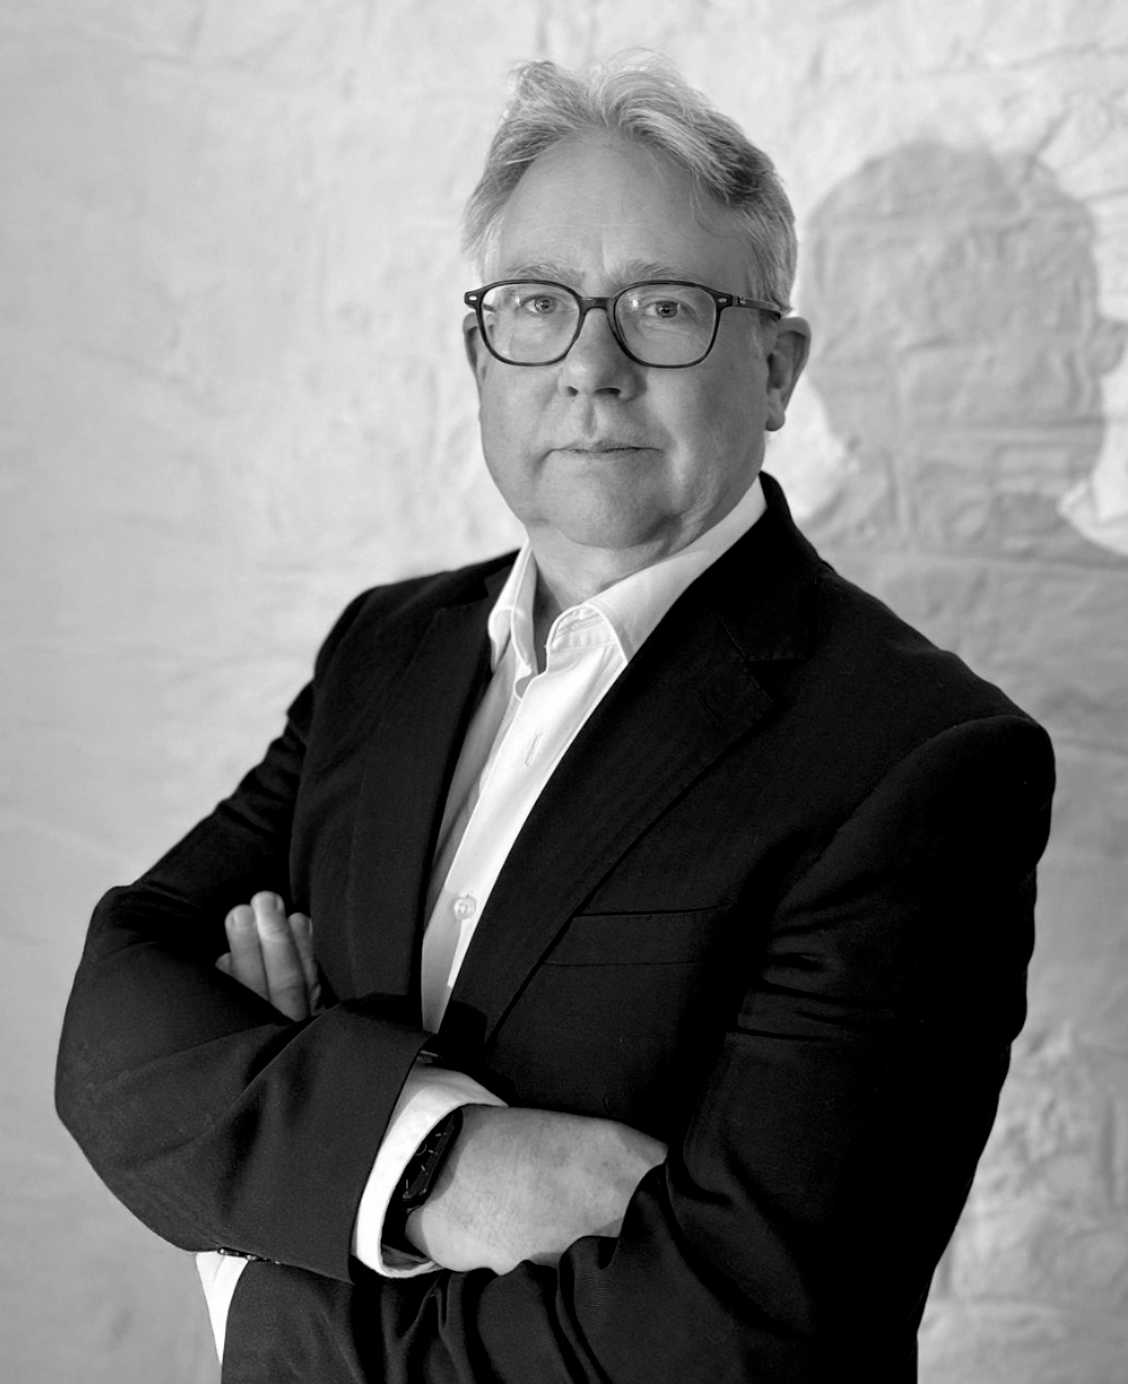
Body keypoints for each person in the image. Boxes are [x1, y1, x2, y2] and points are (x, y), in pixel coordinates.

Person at [56, 54, 1055, 1383]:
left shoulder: (916, 759)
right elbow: (121, 1028)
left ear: (776, 366)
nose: (590, 366)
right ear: (479, 350)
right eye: (537, 304)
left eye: (662, 307)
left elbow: (742, 1333)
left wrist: (268, 1269)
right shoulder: (383, 655)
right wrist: (429, 1165)